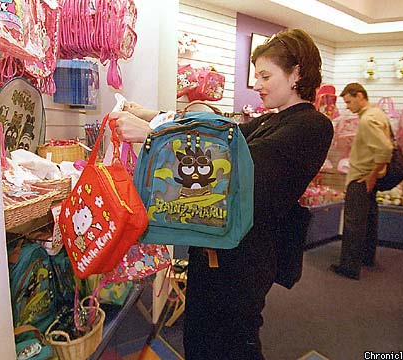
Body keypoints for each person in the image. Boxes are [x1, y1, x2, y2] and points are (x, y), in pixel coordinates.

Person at [110, 28, 333, 360]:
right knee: (200, 334)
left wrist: (151, 135)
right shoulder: (270, 121)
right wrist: (151, 117)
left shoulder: (312, 127)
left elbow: (231, 165)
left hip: (246, 258)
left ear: (297, 72)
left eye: (265, 75)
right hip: (217, 249)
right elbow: (215, 134)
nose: (256, 84)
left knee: (231, 341)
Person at [330, 83, 393, 280]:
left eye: (349, 101)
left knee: (353, 223)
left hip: (361, 178)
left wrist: (371, 175)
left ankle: (349, 266)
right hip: (369, 176)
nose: (347, 107)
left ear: (359, 96)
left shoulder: (368, 120)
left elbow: (385, 149)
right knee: (369, 219)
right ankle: (366, 257)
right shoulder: (378, 114)